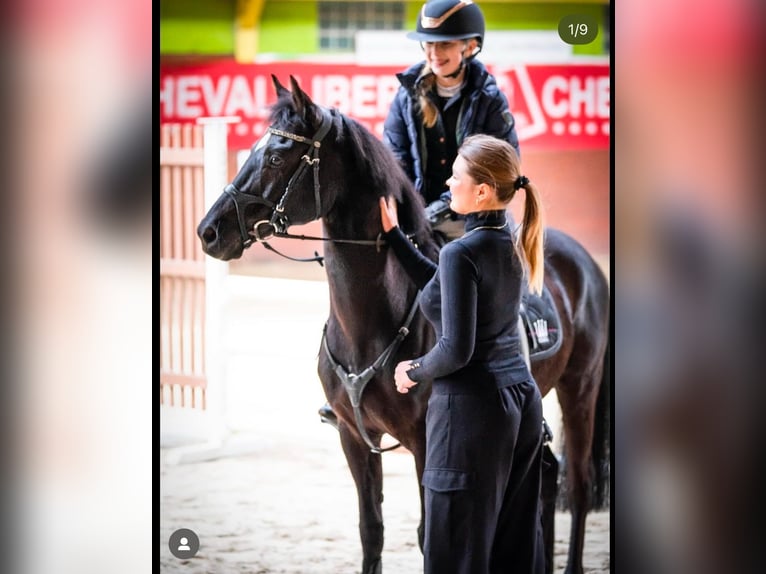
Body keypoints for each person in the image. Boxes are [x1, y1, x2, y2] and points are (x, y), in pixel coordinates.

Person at [382, 134, 545, 573]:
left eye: (456, 178)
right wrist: (395, 238)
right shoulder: (507, 237)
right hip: (521, 402)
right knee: (514, 546)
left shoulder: (462, 252)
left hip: (471, 416)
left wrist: (412, 370)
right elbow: (442, 287)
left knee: (455, 548)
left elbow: (456, 349)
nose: (447, 186)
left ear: (482, 191)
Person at [383, 0, 519, 239]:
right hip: (418, 216)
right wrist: (407, 207)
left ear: (470, 46)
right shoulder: (406, 96)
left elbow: (502, 167)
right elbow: (395, 156)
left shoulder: (491, 100)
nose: (434, 54)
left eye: (445, 44)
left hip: (475, 218)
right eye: (429, 44)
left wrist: (439, 211)